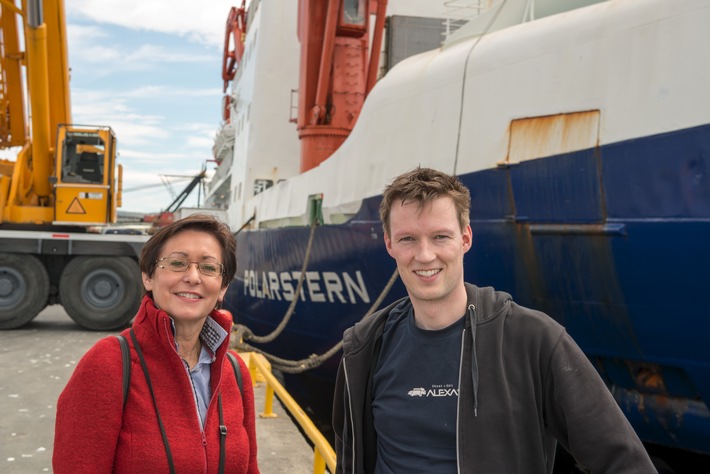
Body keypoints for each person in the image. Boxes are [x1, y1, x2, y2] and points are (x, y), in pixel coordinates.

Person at [332, 167, 656, 473]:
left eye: (441, 237)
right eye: (408, 239)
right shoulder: (365, 348)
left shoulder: (532, 340)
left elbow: (623, 461)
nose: (425, 255)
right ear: (389, 243)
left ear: (466, 238)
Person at [53, 214, 259, 473]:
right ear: (148, 277)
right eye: (177, 263)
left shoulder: (235, 372)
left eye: (208, 268)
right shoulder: (109, 364)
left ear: (222, 288)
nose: (193, 277)